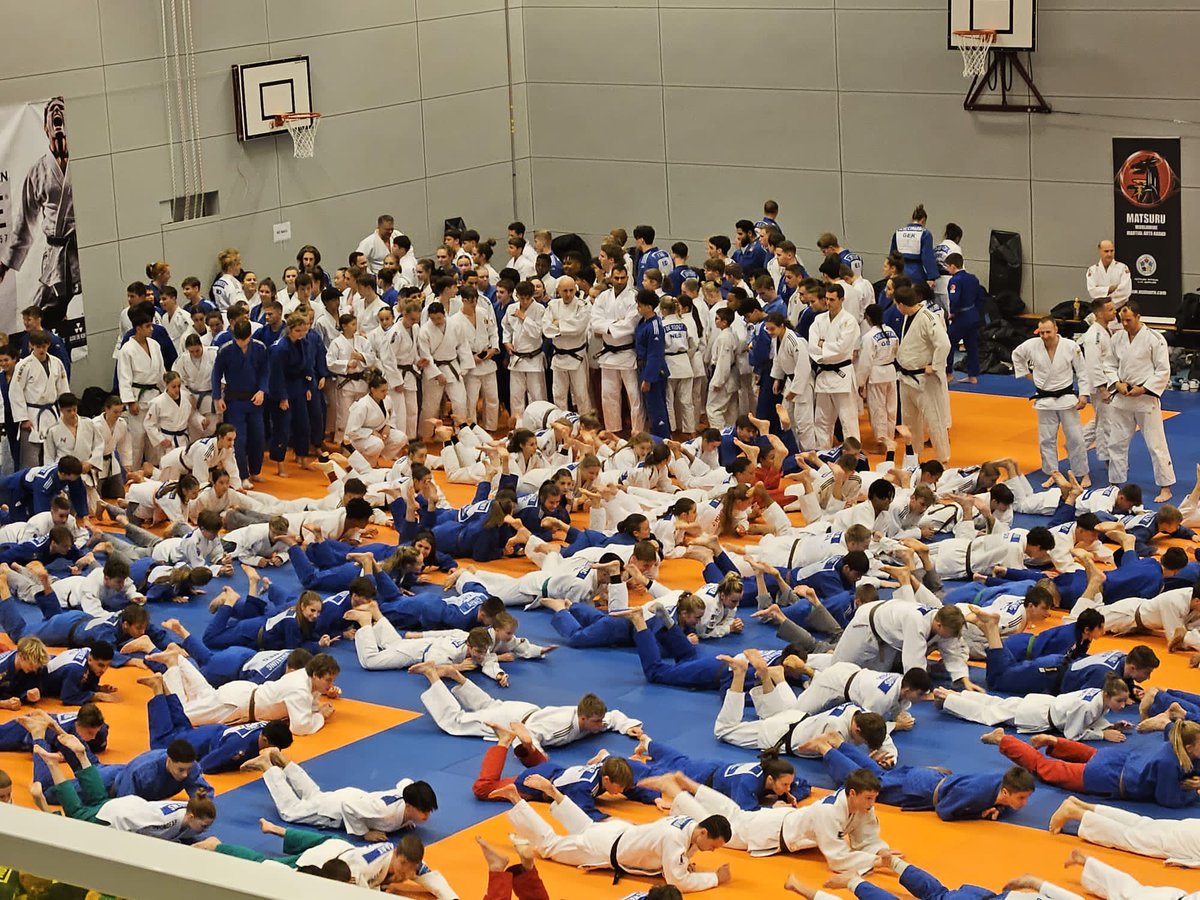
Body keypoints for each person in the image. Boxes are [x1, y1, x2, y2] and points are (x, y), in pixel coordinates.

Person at [494, 779, 732, 892]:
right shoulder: (675, 838)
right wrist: (715, 878)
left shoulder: (688, 824)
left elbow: (677, 858)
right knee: (549, 847)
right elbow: (677, 882)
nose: (712, 850)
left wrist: (683, 863)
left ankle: (555, 793)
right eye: (713, 845)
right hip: (603, 849)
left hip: (616, 831)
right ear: (703, 831)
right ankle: (516, 799)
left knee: (586, 826)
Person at [32, 734, 216, 845]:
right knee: (74, 814)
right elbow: (145, 837)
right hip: (116, 788)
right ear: (169, 761)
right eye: (204, 826)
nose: (185, 775)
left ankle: (82, 756)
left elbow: (203, 796)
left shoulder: (190, 804)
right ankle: (52, 764)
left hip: (132, 804)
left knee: (97, 799)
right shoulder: (143, 771)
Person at [413, 662, 642, 750]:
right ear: (583, 719)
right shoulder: (560, 727)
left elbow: (612, 718)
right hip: (516, 721)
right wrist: (538, 761)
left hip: (524, 710)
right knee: (456, 723)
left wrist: (628, 725)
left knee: (489, 705)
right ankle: (433, 675)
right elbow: (529, 739)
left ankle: (456, 676)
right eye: (596, 722)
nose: (600, 725)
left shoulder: (592, 719)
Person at [0, 97, 79, 334]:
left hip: (83, 250)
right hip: (56, 254)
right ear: (46, 127)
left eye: (61, 110)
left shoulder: (86, 161)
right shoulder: (39, 171)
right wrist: (5, 264)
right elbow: (25, 221)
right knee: (38, 313)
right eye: (52, 111)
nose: (57, 113)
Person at [260, 751, 437, 840]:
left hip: (356, 796)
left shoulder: (406, 795)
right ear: (408, 806)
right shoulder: (385, 813)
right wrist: (364, 834)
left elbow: (405, 782)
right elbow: (348, 807)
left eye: (428, 811)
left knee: (314, 795)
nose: (426, 816)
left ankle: (284, 762)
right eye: (423, 811)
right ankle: (268, 767)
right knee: (290, 812)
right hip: (337, 811)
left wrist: (409, 819)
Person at [1104, 300, 1174, 502]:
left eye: (1128, 320)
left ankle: (1166, 487)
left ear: (1138, 317)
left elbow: (1163, 370)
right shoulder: (1117, 338)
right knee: (1116, 442)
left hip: (1145, 398)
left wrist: (1143, 388)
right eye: (1122, 320)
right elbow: (1108, 364)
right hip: (1122, 398)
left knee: (1156, 444)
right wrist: (1116, 383)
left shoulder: (1154, 338)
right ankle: (1115, 484)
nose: (1125, 324)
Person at [1011, 316, 1089, 485]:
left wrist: (1084, 395)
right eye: (1042, 332)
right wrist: (1026, 373)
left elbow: (1082, 371)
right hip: (1044, 399)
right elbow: (1016, 355)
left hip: (1067, 398)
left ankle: (1082, 473)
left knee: (1075, 437)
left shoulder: (1070, 346)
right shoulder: (1032, 345)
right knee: (1046, 439)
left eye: (1048, 332)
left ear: (1056, 330)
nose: (1045, 336)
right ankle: (1053, 473)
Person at [893, 285, 950, 463]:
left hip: (924, 380)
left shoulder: (927, 317)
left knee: (934, 421)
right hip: (905, 378)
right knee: (910, 423)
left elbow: (944, 344)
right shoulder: (907, 317)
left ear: (901, 304)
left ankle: (943, 460)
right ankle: (913, 459)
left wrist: (935, 366)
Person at [211, 318, 268, 486]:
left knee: (258, 437)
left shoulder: (260, 347)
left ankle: (255, 471)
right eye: (239, 340)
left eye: (245, 339)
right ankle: (242, 475)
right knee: (239, 439)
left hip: (254, 399)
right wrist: (217, 397)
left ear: (250, 335)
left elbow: (266, 371)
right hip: (234, 400)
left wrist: (262, 390)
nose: (242, 343)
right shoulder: (225, 350)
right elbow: (216, 374)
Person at [591, 263, 642, 433]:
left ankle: (637, 431)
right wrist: (613, 325)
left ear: (628, 278)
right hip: (608, 353)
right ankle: (613, 430)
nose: (619, 281)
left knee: (634, 396)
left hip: (628, 352)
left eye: (623, 278)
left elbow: (630, 325)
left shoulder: (634, 297)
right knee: (608, 396)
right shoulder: (603, 297)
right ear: (611, 278)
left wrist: (607, 326)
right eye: (616, 278)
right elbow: (595, 323)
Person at [808, 283, 860, 446]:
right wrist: (825, 348)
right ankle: (823, 454)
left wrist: (823, 345)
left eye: (832, 299)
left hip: (841, 374)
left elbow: (843, 348)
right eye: (826, 299)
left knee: (848, 420)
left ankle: (854, 458)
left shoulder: (849, 321)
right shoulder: (819, 320)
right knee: (821, 420)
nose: (828, 302)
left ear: (842, 300)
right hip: (824, 375)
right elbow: (812, 346)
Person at [10, 329, 70, 467]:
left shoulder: (57, 363)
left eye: (44, 346)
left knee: (55, 454)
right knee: (31, 460)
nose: (41, 350)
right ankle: (30, 487)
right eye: (38, 347)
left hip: (53, 413)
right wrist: (23, 418)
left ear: (48, 345)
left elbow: (63, 389)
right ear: (31, 345)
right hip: (32, 415)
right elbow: (15, 393)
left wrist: (65, 412)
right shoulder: (23, 365)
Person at [635, 290, 671, 439]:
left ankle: (663, 439)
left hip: (654, 371)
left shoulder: (655, 327)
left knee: (657, 408)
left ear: (649, 307)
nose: (638, 308)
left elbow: (655, 355)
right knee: (650, 407)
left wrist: (649, 378)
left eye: (640, 305)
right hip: (643, 366)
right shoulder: (643, 322)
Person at [944, 253, 983, 384]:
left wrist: (953, 313)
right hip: (973, 315)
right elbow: (980, 297)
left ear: (953, 266)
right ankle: (973, 375)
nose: (947, 269)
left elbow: (954, 299)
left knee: (949, 344)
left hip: (961, 316)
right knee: (972, 346)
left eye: (948, 267)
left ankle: (949, 373)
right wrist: (976, 312)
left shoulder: (955, 280)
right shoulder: (973, 278)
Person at [891, 204, 939, 290]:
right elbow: (927, 257)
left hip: (900, 271)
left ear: (912, 218)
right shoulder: (925, 233)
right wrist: (932, 277)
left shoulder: (898, 232)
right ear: (923, 220)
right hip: (916, 272)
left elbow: (892, 255)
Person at [1086, 239, 1131, 313]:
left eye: (1112, 251)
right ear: (1099, 251)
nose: (1109, 254)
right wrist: (1109, 289)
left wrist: (1102, 292)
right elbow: (1092, 291)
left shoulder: (1123, 268)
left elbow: (1125, 291)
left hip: (1119, 310)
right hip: (1100, 311)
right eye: (1106, 251)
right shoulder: (1092, 270)